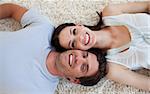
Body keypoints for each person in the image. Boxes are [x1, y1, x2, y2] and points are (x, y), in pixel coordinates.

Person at [0, 3, 107, 94]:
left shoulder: (43, 91)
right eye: (84, 55)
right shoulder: (45, 28)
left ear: (75, 80)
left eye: (84, 67)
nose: (78, 59)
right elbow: (12, 10)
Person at [51, 1, 150, 91]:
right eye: (73, 44)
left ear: (79, 25)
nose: (80, 38)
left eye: (74, 31)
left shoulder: (111, 12)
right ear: (77, 51)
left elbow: (147, 5)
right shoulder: (113, 68)